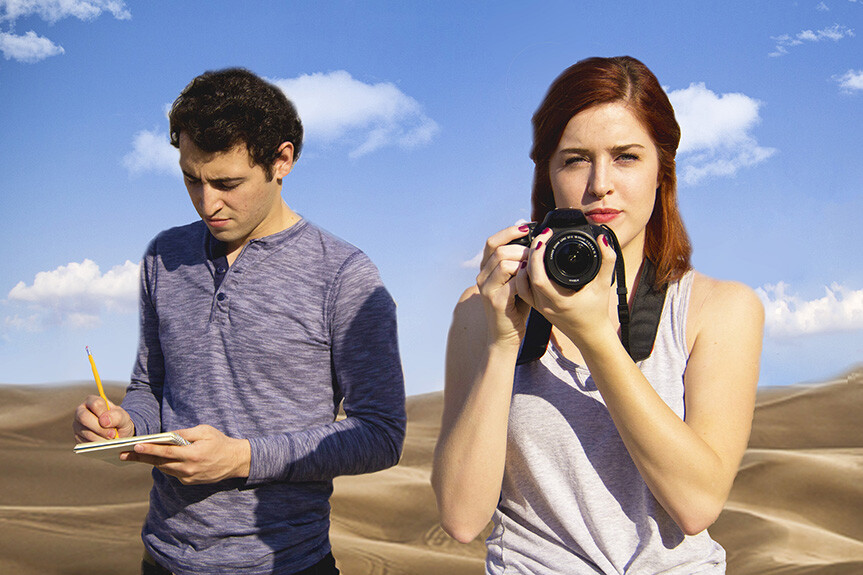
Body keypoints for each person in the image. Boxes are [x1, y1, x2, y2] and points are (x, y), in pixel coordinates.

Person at [431, 56, 764, 574]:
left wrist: (593, 336)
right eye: (575, 159)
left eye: (626, 157)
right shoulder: (484, 306)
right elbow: (461, 518)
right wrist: (502, 342)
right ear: (549, 174)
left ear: (662, 172)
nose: (599, 184)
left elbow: (697, 504)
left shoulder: (718, 309)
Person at [73, 68, 406, 575]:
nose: (208, 203)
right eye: (191, 179)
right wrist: (127, 424)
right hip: (163, 557)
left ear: (282, 161)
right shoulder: (164, 256)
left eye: (228, 183)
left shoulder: (344, 275)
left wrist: (243, 458)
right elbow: (150, 386)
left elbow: (381, 434)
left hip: (287, 563)